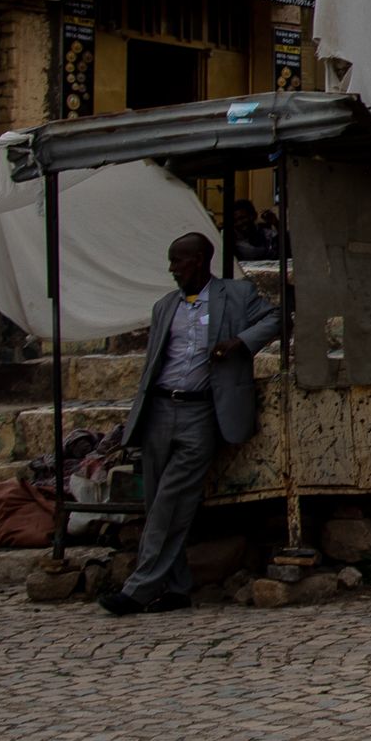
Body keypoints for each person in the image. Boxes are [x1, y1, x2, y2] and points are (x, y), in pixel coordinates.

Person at [103, 232, 280, 616]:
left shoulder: (236, 295)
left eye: (177, 262)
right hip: (161, 410)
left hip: (201, 412)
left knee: (172, 500)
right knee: (158, 505)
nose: (172, 270)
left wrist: (239, 343)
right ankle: (177, 588)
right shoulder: (165, 307)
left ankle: (139, 587)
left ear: (199, 260)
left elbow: (277, 318)